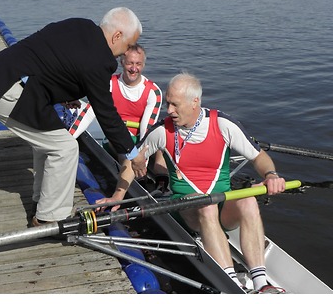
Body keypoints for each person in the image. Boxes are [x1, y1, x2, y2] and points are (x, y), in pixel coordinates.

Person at [96, 72, 287, 294]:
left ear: (195, 102)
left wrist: (271, 175)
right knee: (206, 205)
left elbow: (259, 157)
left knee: (248, 199)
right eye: (168, 103)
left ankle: (261, 282)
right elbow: (131, 163)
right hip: (186, 210)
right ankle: (232, 283)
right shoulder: (162, 130)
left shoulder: (223, 124)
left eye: (175, 105)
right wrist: (118, 195)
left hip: (222, 206)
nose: (169, 110)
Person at [0, 7, 147, 227]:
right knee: (65, 148)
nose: (125, 52)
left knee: (50, 140)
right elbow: (107, 114)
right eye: (127, 46)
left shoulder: (80, 25)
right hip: (6, 92)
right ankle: (50, 218)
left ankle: (43, 202)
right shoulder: (99, 59)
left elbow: (52, 62)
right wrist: (133, 154)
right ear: (116, 36)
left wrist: (61, 95)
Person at [68, 43, 169, 191]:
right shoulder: (108, 84)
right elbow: (89, 112)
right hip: (117, 137)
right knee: (124, 147)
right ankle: (137, 180)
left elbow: (146, 133)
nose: (134, 68)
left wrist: (141, 162)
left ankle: (161, 179)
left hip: (140, 136)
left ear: (143, 65)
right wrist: (68, 140)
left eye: (138, 64)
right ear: (122, 62)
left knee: (161, 143)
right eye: (130, 63)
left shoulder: (153, 92)